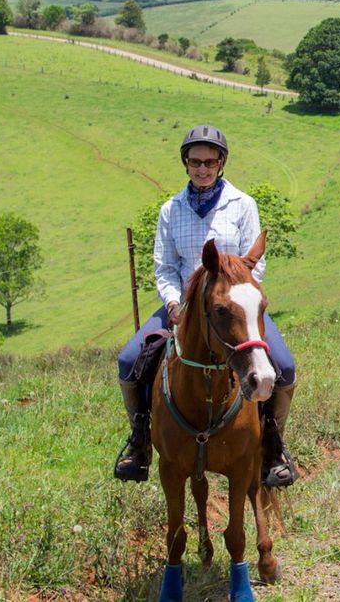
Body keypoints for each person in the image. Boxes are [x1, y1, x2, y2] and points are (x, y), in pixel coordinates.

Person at [113, 125, 299, 487]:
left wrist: (235, 295)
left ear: (221, 163)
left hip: (231, 307)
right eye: (195, 162)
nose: (202, 168)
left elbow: (254, 263)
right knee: (128, 360)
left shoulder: (243, 205)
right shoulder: (171, 210)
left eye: (209, 162)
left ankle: (273, 447)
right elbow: (164, 266)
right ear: (185, 163)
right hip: (182, 307)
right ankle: (140, 441)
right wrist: (171, 303)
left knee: (285, 367)